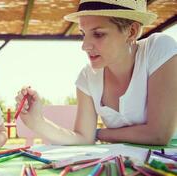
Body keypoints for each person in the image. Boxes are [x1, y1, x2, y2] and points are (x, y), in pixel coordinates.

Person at [15, 0, 177, 146]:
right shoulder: (87, 77)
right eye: (83, 34)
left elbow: (159, 135)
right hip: (125, 167)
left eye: (98, 34)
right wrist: (37, 122)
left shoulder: (158, 48)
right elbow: (82, 138)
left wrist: (99, 134)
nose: (84, 46)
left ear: (132, 31)